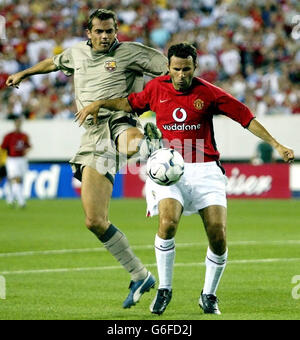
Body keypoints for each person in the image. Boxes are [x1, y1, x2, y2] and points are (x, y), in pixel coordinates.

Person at [75, 43, 295, 315]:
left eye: (186, 69)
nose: (181, 75)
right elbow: (129, 103)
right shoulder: (156, 88)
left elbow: (245, 117)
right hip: (170, 169)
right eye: (176, 69)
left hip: (206, 169)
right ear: (168, 67)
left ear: (195, 67)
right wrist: (100, 103)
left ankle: (209, 295)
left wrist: (277, 144)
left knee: (218, 235)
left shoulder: (209, 92)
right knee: (167, 224)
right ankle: (165, 289)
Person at [6, 9, 168, 308]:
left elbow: (168, 69)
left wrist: (158, 98)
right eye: (100, 31)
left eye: (110, 31)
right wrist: (24, 73)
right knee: (94, 220)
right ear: (89, 33)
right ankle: (139, 274)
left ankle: (148, 139)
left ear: (116, 30)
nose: (106, 36)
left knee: (128, 142)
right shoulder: (76, 53)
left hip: (119, 120)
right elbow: (53, 63)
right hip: (90, 138)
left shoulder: (130, 52)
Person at [1, 117, 31, 208]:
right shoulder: (9, 136)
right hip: (12, 160)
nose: (18, 124)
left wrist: (26, 150)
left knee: (15, 180)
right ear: (14, 124)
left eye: (19, 123)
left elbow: (28, 146)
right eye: (17, 123)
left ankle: (10, 198)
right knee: (16, 179)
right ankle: (21, 202)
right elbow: (3, 147)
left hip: (22, 160)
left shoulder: (24, 135)